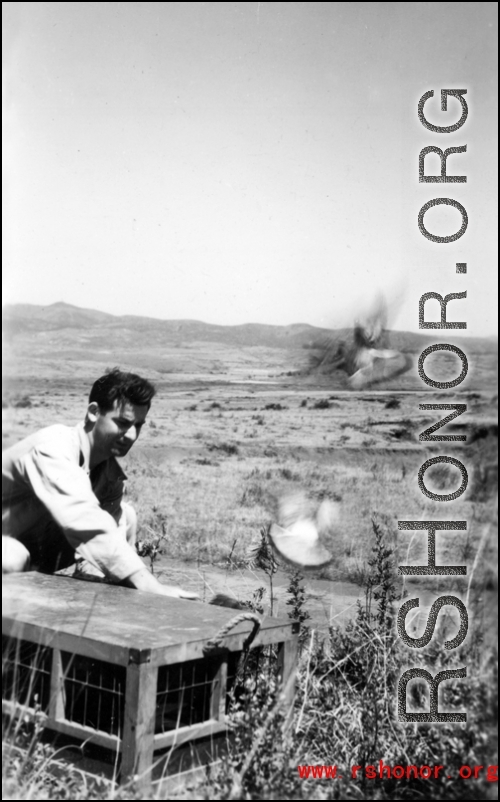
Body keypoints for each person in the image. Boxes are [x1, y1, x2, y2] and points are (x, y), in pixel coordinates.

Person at [2, 369, 198, 599]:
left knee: (127, 517)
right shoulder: (54, 447)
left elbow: (105, 540)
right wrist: (150, 585)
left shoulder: (109, 475)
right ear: (94, 412)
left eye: (139, 425)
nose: (132, 436)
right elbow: (84, 519)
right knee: (11, 557)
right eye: (123, 423)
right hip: (11, 547)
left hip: (31, 549)